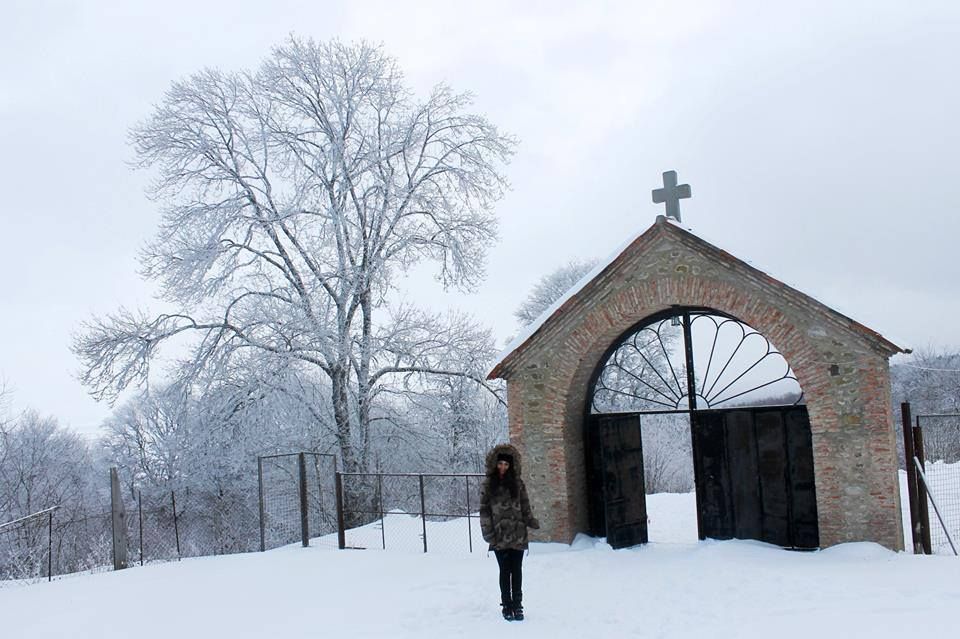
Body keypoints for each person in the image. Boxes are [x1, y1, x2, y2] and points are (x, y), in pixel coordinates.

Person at [479, 444, 540, 621]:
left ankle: (518, 604)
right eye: (500, 464)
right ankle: (506, 605)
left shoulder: (518, 483)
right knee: (505, 570)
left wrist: (530, 521)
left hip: (517, 532)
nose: (503, 467)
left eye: (506, 464)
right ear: (495, 464)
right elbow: (484, 510)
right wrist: (487, 532)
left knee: (517, 570)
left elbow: (525, 505)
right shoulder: (488, 485)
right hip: (499, 535)